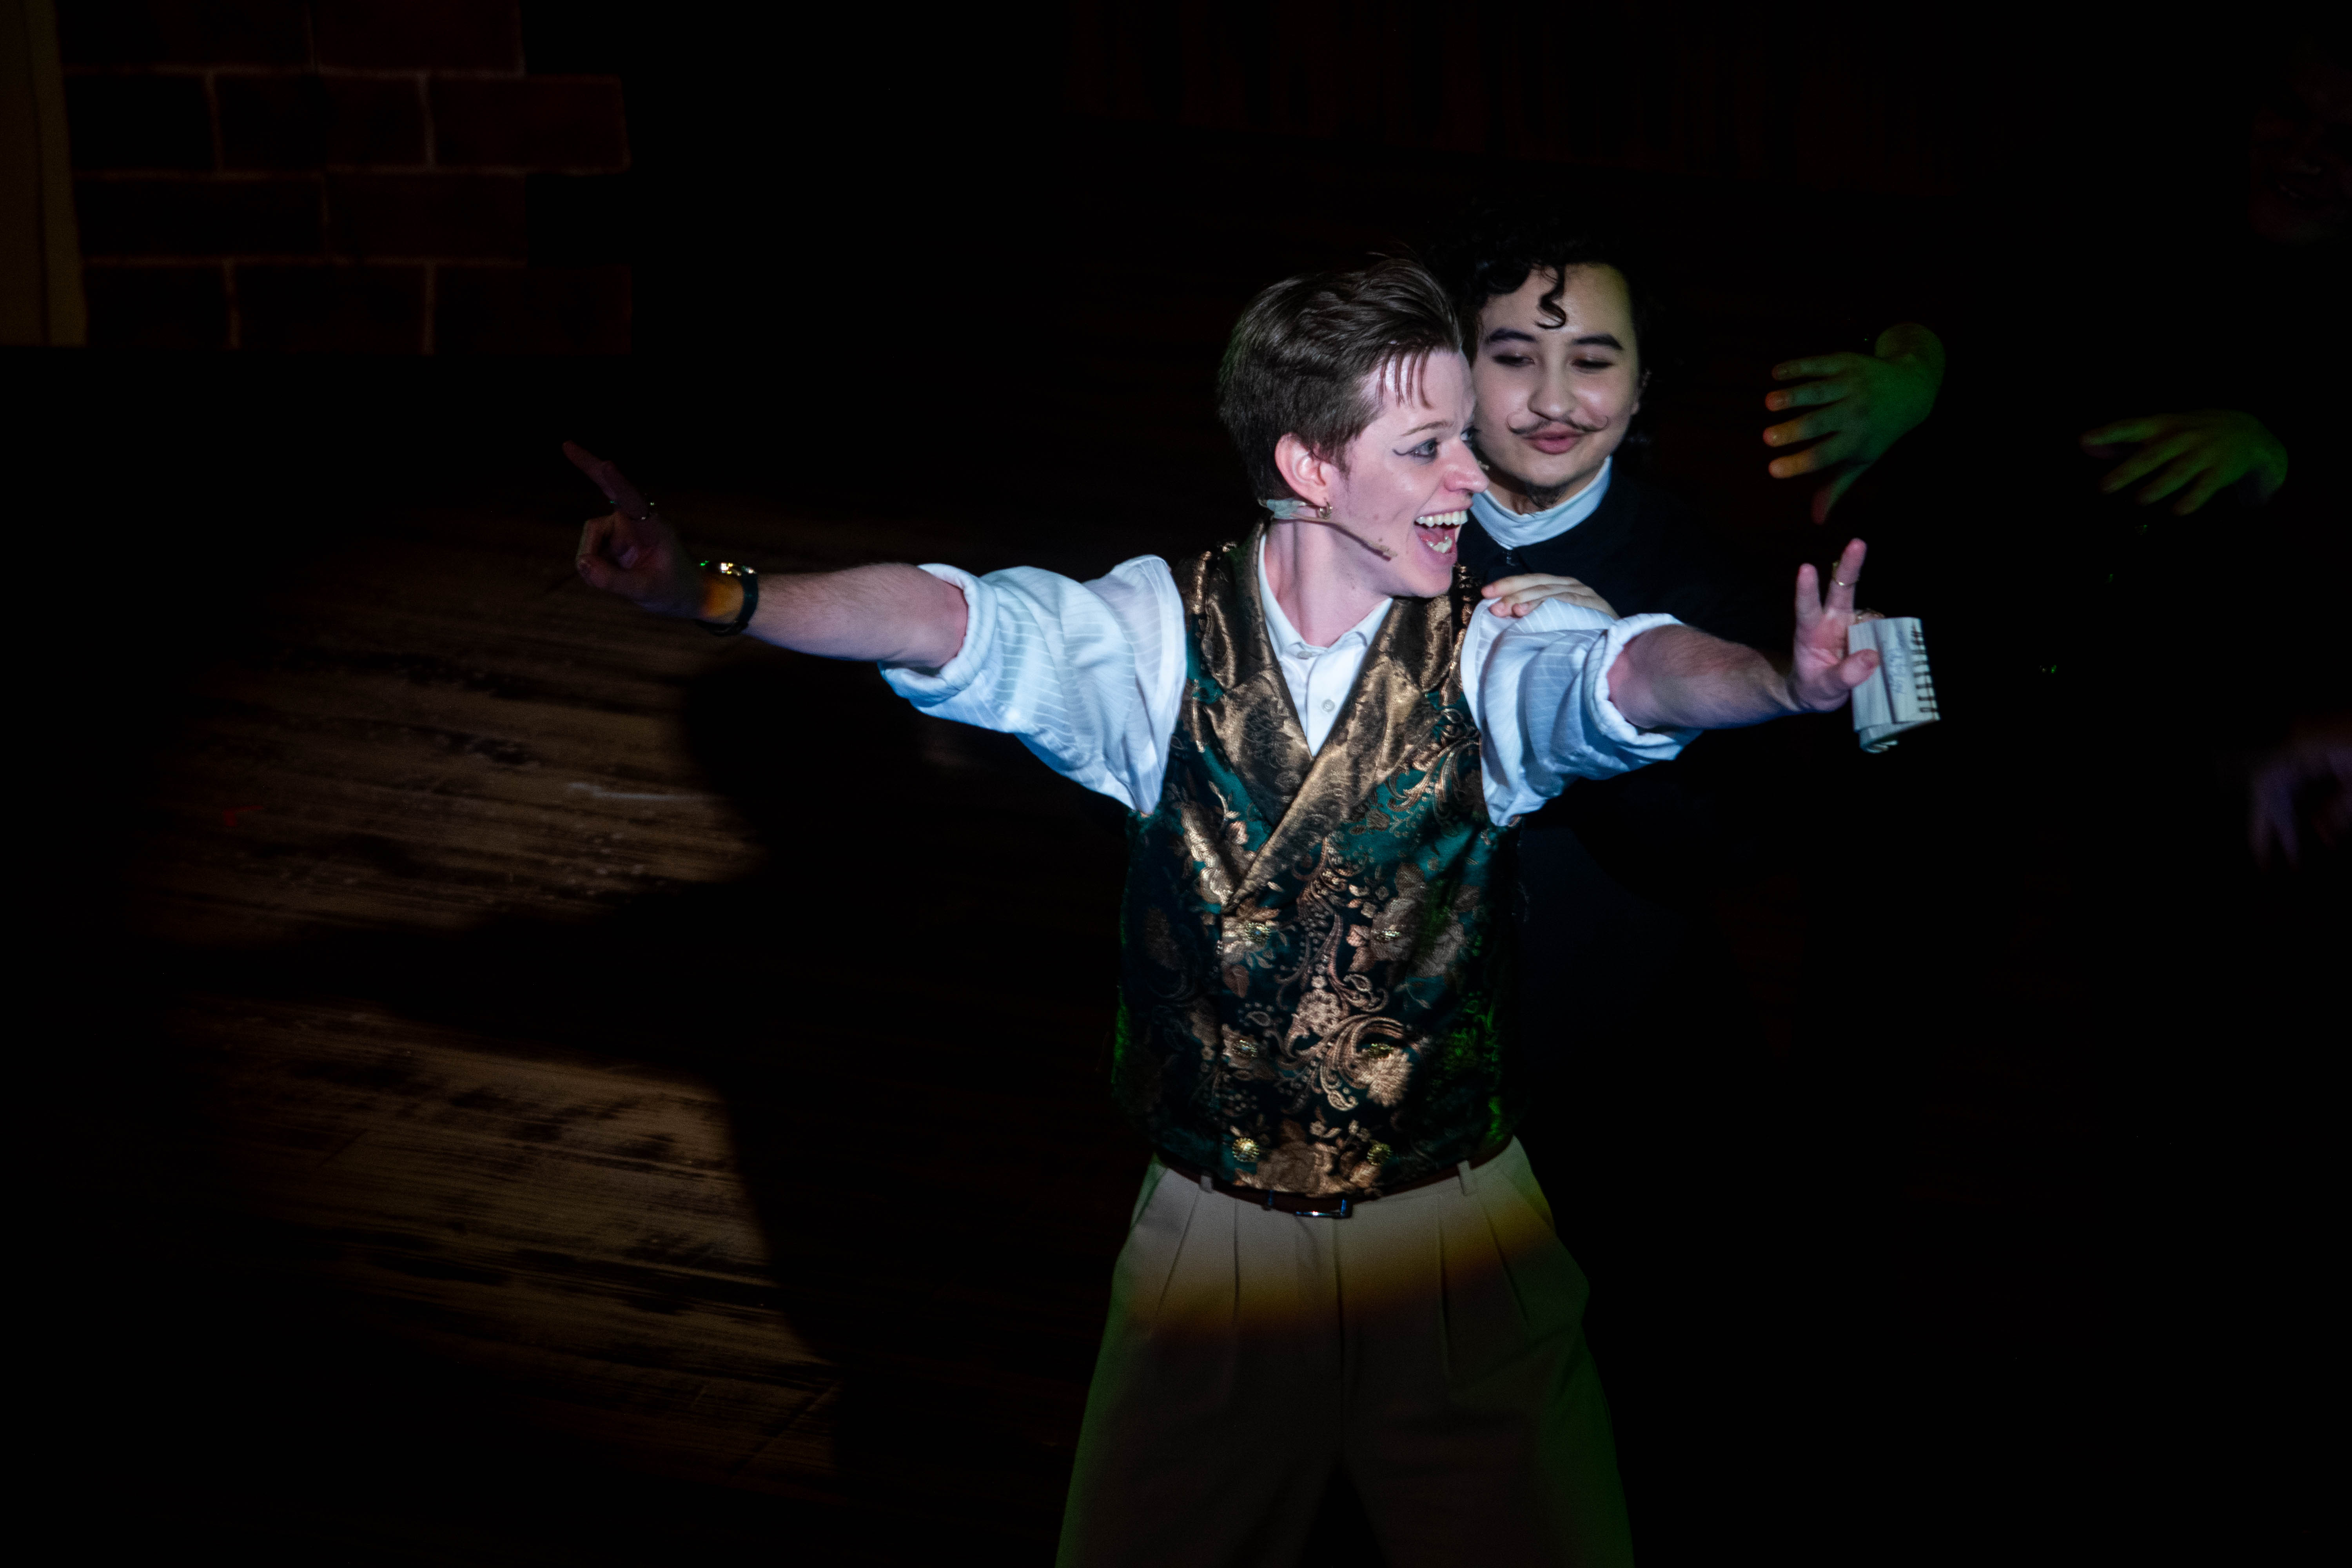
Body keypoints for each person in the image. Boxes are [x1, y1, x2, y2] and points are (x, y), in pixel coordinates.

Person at [567, 257, 1889, 1566]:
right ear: (1311, 467)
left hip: (1458, 1246)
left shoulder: (1491, 646)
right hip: (1213, 1250)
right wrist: (710, 592)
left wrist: (1776, 681)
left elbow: (1629, 677)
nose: (1471, 477)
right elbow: (941, 617)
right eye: (1428, 447)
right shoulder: (1154, 639)